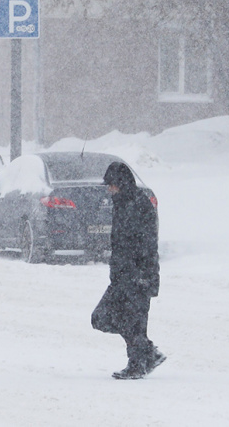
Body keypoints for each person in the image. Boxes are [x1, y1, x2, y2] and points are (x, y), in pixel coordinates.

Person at [93, 161, 163, 380]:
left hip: (138, 275)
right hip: (122, 276)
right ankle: (147, 354)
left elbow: (146, 243)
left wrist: (139, 274)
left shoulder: (138, 204)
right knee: (101, 317)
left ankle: (138, 364)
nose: (109, 189)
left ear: (121, 183)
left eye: (111, 185)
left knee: (133, 321)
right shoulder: (121, 203)